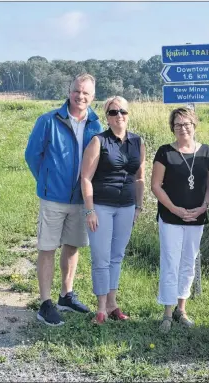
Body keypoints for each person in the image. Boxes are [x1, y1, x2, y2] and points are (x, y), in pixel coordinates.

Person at [25, 74, 103, 326]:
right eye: (77, 91)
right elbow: (32, 155)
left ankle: (65, 296)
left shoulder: (96, 125)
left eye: (86, 94)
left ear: (93, 97)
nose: (80, 97)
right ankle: (45, 304)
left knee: (72, 246)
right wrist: (47, 181)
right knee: (47, 247)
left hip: (81, 199)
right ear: (69, 91)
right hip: (53, 198)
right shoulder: (48, 120)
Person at [151, 107, 209, 333]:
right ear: (172, 127)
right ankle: (167, 313)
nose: (183, 128)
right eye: (178, 124)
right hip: (171, 217)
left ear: (194, 125)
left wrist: (204, 207)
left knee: (189, 262)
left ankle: (181, 308)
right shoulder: (164, 152)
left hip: (197, 217)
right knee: (170, 262)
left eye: (187, 123)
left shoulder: (207, 152)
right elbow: (155, 185)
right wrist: (174, 209)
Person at [81, 96, 146, 324]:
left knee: (117, 256)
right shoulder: (98, 141)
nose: (119, 116)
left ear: (129, 114)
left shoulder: (138, 142)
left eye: (123, 112)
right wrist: (90, 210)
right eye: (113, 112)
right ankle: (100, 309)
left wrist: (139, 206)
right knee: (101, 257)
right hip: (101, 206)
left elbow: (139, 178)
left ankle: (112, 304)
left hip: (127, 207)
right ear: (107, 118)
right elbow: (86, 178)